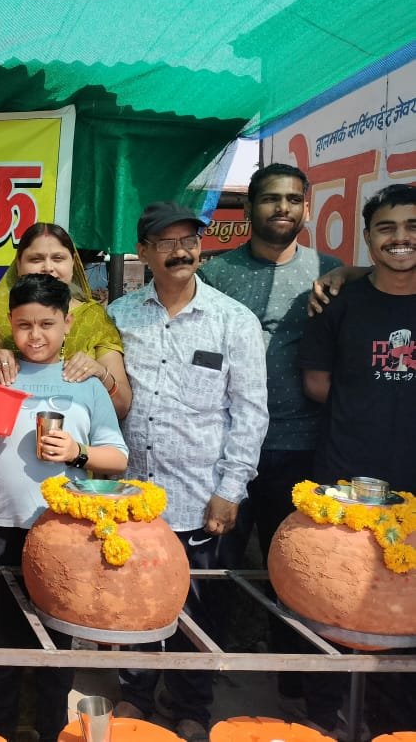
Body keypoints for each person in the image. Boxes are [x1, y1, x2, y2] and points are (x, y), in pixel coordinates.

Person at [0, 273, 129, 742]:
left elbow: (118, 457)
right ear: (10, 324)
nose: (35, 335)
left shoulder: (83, 383)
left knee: (56, 639)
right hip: (0, 527)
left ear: (67, 324)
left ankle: (50, 728)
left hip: (64, 529)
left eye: (47, 324)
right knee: (1, 638)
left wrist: (77, 454)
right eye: (24, 325)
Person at [107, 201, 268, 742]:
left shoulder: (233, 320)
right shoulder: (120, 316)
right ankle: (134, 692)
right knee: (136, 600)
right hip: (134, 496)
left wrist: (231, 489)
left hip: (201, 496)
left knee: (201, 606)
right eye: (166, 243)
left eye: (189, 241)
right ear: (144, 252)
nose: (181, 251)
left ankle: (191, 702)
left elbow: (250, 412)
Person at [197, 163, 341, 716]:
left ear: (306, 207)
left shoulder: (327, 271)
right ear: (250, 208)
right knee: (215, 571)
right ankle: (200, 684)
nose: (282, 208)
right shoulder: (217, 274)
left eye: (292, 199)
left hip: (301, 445)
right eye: (270, 199)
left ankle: (296, 689)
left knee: (298, 571)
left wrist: (348, 274)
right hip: (227, 448)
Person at [301, 182, 416, 491]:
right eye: (386, 228)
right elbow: (316, 384)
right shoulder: (333, 304)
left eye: (412, 226)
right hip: (347, 476)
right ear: (368, 237)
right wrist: (372, 403)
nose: (401, 237)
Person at [0, 223, 131, 418]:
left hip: (75, 435)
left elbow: (122, 406)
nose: (48, 268)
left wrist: (100, 374)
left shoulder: (93, 317)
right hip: (2, 430)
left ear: (73, 263)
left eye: (58, 258)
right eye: (36, 259)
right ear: (18, 264)